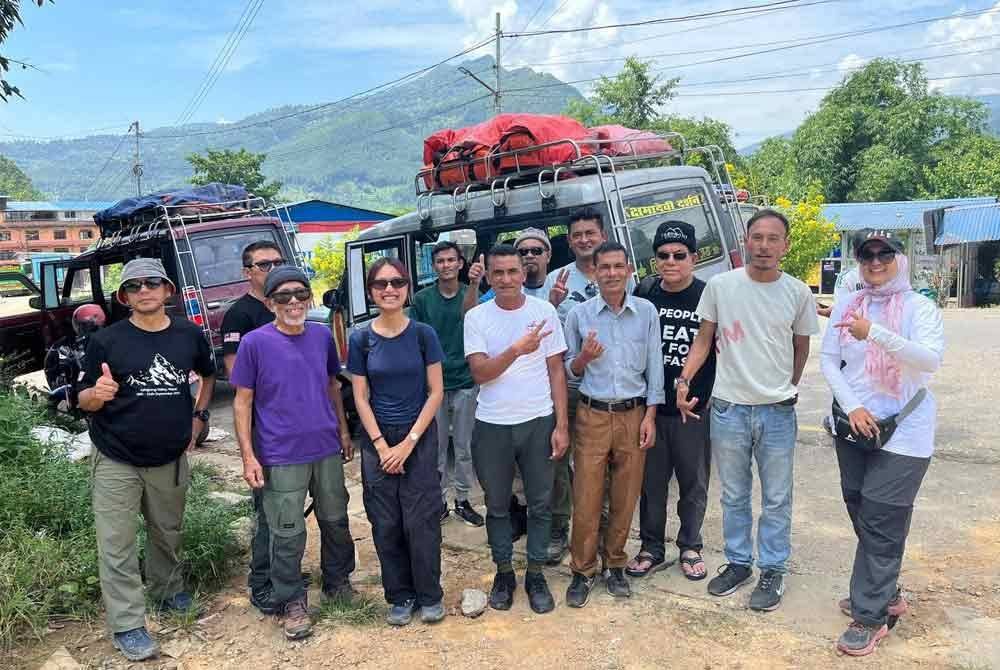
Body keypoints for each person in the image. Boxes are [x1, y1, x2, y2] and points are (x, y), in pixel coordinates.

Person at [677, 208, 819, 612]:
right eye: (757, 237)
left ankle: (773, 569)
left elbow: (801, 346)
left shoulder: (798, 293)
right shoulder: (721, 286)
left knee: (776, 498)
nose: (764, 246)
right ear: (746, 241)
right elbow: (704, 340)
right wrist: (684, 380)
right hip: (729, 410)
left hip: (777, 411)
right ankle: (739, 563)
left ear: (785, 246)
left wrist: (786, 387)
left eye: (773, 239)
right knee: (734, 495)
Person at [78, 258, 216, 662]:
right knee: (116, 543)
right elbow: (82, 397)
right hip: (115, 456)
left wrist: (199, 415)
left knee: (167, 532)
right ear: (124, 296)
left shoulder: (188, 334)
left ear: (167, 289)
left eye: (152, 282)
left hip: (169, 456)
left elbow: (208, 374)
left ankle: (168, 591)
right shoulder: (106, 341)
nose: (144, 291)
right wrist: (96, 395)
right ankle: (127, 624)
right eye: (134, 286)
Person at [821, 229, 943, 656]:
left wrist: (874, 332)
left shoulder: (919, 307)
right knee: (859, 505)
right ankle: (885, 590)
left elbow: (929, 360)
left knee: (880, 517)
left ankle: (870, 616)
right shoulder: (847, 304)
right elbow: (829, 360)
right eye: (867, 255)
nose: (875, 262)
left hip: (905, 432)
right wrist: (853, 406)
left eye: (884, 254)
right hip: (855, 425)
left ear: (899, 259)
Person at [231, 266, 356, 640]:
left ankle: (338, 581)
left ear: (309, 297)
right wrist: (248, 456)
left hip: (326, 447)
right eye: (283, 296)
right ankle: (291, 600)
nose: (293, 302)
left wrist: (344, 431)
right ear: (270, 303)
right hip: (280, 453)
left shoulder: (321, 336)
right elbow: (242, 402)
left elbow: (332, 386)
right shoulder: (254, 343)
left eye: (300, 294)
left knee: (335, 519)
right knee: (286, 531)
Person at [464, 244, 570, 614]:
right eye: (498, 273)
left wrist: (561, 425)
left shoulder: (544, 312)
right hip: (492, 425)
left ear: (524, 274)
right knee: (497, 505)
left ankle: (536, 574)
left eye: (513, 271)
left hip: (538, 421)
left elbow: (556, 371)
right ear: (489, 277)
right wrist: (517, 349)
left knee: (540, 503)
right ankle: (504, 572)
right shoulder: (477, 317)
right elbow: (480, 373)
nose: (506, 279)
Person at [562, 241, 663, 607]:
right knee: (587, 496)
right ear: (594, 271)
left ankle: (615, 564)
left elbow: (655, 366)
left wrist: (650, 415)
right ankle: (583, 569)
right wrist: (584, 358)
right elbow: (568, 370)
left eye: (618, 266)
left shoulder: (646, 312)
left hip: (633, 413)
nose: (612, 273)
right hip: (592, 414)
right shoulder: (579, 315)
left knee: (625, 494)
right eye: (604, 267)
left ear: (629, 270)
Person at [348, 258, 447, 627]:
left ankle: (429, 595)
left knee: (422, 520)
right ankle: (400, 595)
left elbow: (436, 392)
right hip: (377, 438)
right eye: (381, 284)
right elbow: (360, 397)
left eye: (397, 282)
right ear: (371, 291)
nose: (389, 289)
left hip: (418, 434)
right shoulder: (361, 339)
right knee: (385, 521)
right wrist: (380, 445)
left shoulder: (423, 335)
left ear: (407, 287)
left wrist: (409, 443)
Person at [627, 221, 716, 581]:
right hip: (650, 408)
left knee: (693, 483)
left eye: (680, 255)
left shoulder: (708, 296)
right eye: (663, 255)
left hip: (692, 410)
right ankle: (651, 546)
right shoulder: (645, 293)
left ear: (694, 257)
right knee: (651, 484)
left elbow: (717, 346)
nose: (671, 261)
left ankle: (690, 545)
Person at [219, 240, 286, 613]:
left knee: (289, 504)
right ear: (248, 272)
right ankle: (261, 582)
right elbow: (236, 376)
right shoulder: (240, 315)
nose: (273, 269)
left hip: (296, 427)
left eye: (278, 262)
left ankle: (283, 570)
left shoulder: (289, 306)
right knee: (266, 506)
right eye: (264, 265)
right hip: (262, 427)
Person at [544, 207, 610, 564]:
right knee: (558, 456)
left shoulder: (618, 273)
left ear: (602, 235)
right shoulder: (556, 279)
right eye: (578, 235)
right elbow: (538, 327)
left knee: (601, 461)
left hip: (606, 385)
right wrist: (551, 302)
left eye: (590, 233)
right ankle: (559, 527)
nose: (584, 240)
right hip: (566, 383)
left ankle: (599, 529)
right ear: (569, 241)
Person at [410, 241, 485, 528]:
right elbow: (415, 340)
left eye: (451, 260)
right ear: (434, 266)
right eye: (440, 261)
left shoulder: (471, 294)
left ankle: (463, 500)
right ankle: (438, 501)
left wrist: (475, 284)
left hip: (466, 381)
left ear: (460, 263)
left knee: (464, 447)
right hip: (435, 386)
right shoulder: (422, 300)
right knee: (437, 448)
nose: (446, 265)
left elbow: (475, 320)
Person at [463, 227, 556, 311]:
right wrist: (474, 283)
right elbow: (470, 315)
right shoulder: (503, 287)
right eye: (523, 252)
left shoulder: (559, 285)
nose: (529, 255)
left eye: (536, 251)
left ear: (548, 256)